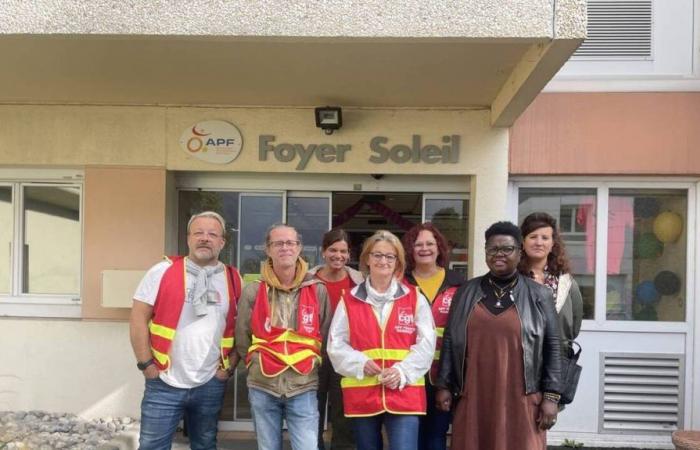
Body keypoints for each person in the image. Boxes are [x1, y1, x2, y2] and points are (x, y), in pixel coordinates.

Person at [435, 221, 561, 450]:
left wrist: (551, 397)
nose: (499, 254)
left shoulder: (539, 295)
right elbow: (451, 339)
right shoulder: (465, 292)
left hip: (522, 395)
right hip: (473, 393)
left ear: (520, 252)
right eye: (492, 249)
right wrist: (444, 383)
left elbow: (553, 346)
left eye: (507, 249)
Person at [129, 211, 242, 450]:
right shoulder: (162, 271)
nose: (205, 238)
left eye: (212, 234)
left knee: (205, 445)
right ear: (188, 238)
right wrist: (146, 365)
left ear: (222, 242)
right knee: (152, 446)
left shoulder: (233, 278)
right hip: (164, 380)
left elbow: (242, 327)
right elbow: (138, 319)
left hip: (210, 382)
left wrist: (228, 368)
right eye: (198, 233)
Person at [328, 230, 436, 450]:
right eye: (377, 255)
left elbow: (426, 344)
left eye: (390, 256)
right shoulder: (348, 299)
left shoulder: (415, 297)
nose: (383, 261)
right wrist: (358, 362)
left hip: (404, 392)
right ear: (367, 258)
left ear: (398, 262)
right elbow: (336, 343)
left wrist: (402, 372)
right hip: (363, 394)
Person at [235, 224, 331, 450]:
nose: (285, 248)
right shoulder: (253, 290)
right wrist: (254, 363)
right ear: (267, 249)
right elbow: (243, 336)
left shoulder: (318, 289)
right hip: (262, 386)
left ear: (299, 248)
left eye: (290, 243)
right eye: (278, 243)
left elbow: (325, 335)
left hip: (303, 385)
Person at [401, 223, 463, 450]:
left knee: (436, 436)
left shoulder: (459, 283)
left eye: (430, 243)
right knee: (409, 436)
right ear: (410, 249)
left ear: (439, 247)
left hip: (443, 375)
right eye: (418, 244)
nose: (424, 248)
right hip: (409, 375)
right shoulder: (400, 284)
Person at [307, 229, 363, 450]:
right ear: (323, 252)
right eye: (333, 250)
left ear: (349, 254)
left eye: (343, 251)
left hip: (344, 355)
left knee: (344, 413)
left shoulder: (358, 280)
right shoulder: (308, 280)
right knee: (312, 410)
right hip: (314, 355)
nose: (338, 255)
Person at [519, 212, 584, 359]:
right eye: (533, 237)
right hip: (519, 361)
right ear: (523, 241)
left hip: (557, 362)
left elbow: (574, 325)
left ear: (553, 243)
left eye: (545, 238)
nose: (539, 242)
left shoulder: (566, 283)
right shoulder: (512, 279)